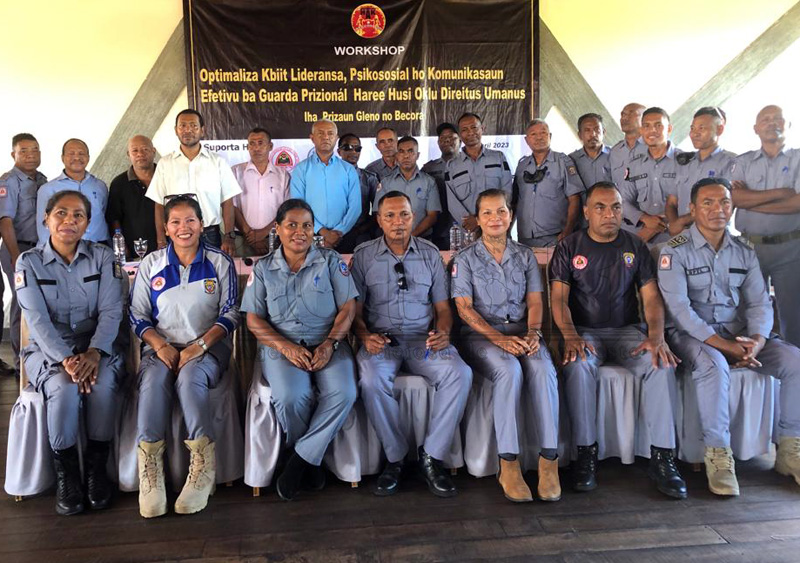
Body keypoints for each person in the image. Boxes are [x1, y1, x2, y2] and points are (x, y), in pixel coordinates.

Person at [658, 178, 800, 496]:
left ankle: (790, 451)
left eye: (724, 202)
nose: (718, 209)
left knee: (794, 360)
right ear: (692, 209)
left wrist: (757, 341)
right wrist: (727, 348)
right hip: (692, 336)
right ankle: (718, 455)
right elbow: (680, 311)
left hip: (739, 336)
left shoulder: (744, 251)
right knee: (714, 365)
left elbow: (760, 303)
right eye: (707, 202)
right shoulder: (674, 251)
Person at [549, 182, 686, 499]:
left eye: (615, 207)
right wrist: (570, 335)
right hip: (586, 332)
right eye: (600, 207)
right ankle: (585, 455)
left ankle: (663, 458)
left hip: (627, 330)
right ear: (586, 212)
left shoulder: (635, 246)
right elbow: (558, 300)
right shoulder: (569, 247)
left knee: (660, 363)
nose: (609, 214)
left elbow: (651, 299)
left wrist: (656, 337)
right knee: (578, 363)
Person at [351, 191, 472, 497]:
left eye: (404, 214)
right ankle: (395, 459)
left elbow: (444, 309)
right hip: (382, 339)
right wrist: (365, 336)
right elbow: (353, 311)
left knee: (460, 373)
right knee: (370, 378)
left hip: (422, 338)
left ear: (414, 217)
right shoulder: (363, 256)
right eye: (389, 216)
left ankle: (431, 456)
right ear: (379, 221)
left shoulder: (431, 254)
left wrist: (443, 331)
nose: (398, 222)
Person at [129, 195, 239, 518]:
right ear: (165, 228)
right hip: (160, 346)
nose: (183, 228)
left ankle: (203, 468)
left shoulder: (220, 261)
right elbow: (136, 315)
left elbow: (231, 313)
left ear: (202, 224)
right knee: (152, 381)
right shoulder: (151, 264)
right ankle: (151, 472)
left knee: (191, 379)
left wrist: (199, 347)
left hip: (208, 347)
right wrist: (160, 345)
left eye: (190, 220)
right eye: (175, 222)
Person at [241, 199, 358, 500]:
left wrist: (331, 344)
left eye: (306, 225)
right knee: (293, 395)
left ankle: (300, 459)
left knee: (344, 392)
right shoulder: (265, 268)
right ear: (277, 229)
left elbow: (348, 307)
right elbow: (253, 319)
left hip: (328, 343)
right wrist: (286, 347)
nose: (300, 232)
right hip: (281, 347)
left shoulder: (331, 261)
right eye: (291, 225)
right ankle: (310, 457)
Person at [16, 190, 124, 515]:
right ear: (46, 219)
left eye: (78, 215)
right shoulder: (29, 262)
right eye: (61, 213)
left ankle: (95, 471)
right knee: (63, 388)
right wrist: (67, 360)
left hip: (97, 347)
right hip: (49, 352)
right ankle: (67, 474)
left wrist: (94, 353)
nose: (69, 221)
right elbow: (36, 320)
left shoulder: (104, 257)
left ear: (88, 223)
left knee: (103, 386)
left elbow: (111, 311)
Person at [452, 188, 560, 502]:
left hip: (523, 332)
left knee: (543, 368)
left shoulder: (524, 255)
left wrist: (533, 333)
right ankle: (508, 463)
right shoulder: (465, 258)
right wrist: (500, 340)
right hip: (481, 337)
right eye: (487, 212)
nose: (495, 218)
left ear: (510, 215)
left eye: (501, 211)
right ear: (478, 220)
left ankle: (549, 461)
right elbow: (464, 309)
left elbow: (536, 302)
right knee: (508, 370)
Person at [731, 105, 800, 348]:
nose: (772, 123)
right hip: (750, 248)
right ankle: (750, 359)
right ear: (756, 128)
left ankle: (794, 367)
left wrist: (751, 200)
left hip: (791, 249)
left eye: (778, 119)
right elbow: (734, 199)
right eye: (766, 120)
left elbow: (799, 203)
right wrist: (783, 193)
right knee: (747, 310)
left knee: (793, 314)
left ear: (788, 125)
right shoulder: (743, 162)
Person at [145, 109, 241, 254]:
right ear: (176, 131)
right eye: (182, 126)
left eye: (193, 126)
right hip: (177, 234)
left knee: (211, 275)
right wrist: (161, 240)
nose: (187, 130)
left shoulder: (218, 162)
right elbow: (159, 205)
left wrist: (229, 236)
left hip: (210, 234)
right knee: (178, 275)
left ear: (202, 130)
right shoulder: (165, 164)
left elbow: (227, 202)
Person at [0, 133, 47, 376]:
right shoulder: (8, 182)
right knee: (22, 303)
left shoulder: (42, 180)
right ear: (13, 155)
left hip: (40, 249)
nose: (31, 155)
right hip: (17, 247)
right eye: (24, 151)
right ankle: (22, 364)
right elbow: (5, 221)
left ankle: (39, 354)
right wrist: (16, 255)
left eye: (35, 150)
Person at [290, 120, 361, 253]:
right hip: (310, 235)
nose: (326, 137)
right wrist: (322, 232)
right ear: (312, 138)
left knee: (344, 272)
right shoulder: (301, 169)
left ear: (336, 138)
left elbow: (355, 207)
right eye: (321, 133)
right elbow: (298, 206)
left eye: (330, 133)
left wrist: (339, 231)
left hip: (344, 236)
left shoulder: (348, 170)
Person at [514, 119, 584, 247]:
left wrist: (568, 231)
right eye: (533, 134)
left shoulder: (563, 161)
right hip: (525, 237)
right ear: (526, 140)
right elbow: (515, 200)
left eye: (543, 133)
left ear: (550, 136)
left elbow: (574, 199)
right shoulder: (522, 165)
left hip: (555, 237)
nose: (539, 137)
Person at [665, 107, 735, 235]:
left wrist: (681, 221)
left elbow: (724, 205)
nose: (694, 133)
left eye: (701, 128)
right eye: (692, 128)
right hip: (683, 236)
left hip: (713, 237)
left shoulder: (732, 163)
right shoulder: (685, 162)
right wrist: (674, 224)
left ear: (719, 129)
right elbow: (671, 202)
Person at [620, 107, 682, 245]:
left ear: (669, 129)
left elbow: (693, 203)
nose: (652, 131)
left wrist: (657, 226)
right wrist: (645, 219)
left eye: (658, 125)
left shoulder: (685, 162)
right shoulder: (633, 164)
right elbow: (623, 200)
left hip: (675, 238)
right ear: (641, 131)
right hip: (641, 235)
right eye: (647, 126)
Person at [446, 113, 513, 234]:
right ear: (460, 135)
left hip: (496, 227)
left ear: (483, 129)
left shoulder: (498, 157)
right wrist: (471, 222)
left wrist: (482, 219)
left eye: (474, 127)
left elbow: (507, 191)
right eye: (464, 130)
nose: (470, 132)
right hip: (468, 232)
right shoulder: (452, 166)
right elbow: (452, 202)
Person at [36, 139, 109, 245]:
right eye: (71, 153)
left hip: (99, 247)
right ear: (63, 158)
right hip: (65, 249)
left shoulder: (100, 186)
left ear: (88, 157)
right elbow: (43, 228)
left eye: (81, 153)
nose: (77, 157)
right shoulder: (47, 189)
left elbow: (104, 215)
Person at [231, 127, 290, 256]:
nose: (256, 148)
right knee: (242, 274)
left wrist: (263, 233)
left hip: (275, 238)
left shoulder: (283, 176)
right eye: (252, 143)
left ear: (270, 146)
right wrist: (251, 235)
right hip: (242, 238)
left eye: (260, 143)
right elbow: (232, 207)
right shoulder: (235, 172)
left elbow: (286, 210)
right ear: (247, 147)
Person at [373, 136, 441, 240]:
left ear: (417, 155)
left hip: (422, 240)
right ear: (397, 155)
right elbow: (379, 213)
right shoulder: (386, 183)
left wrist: (411, 237)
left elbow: (432, 216)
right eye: (401, 152)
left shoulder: (429, 182)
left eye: (410, 151)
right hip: (392, 241)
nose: (406, 156)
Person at [106, 135, 159, 259]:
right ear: (128, 154)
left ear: (153, 151)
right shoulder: (119, 183)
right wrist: (122, 248)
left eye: (145, 149)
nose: (140, 154)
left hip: (168, 247)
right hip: (135, 250)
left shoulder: (166, 176)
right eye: (135, 150)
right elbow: (114, 219)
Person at [337, 133, 380, 250]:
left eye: (357, 148)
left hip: (360, 234)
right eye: (347, 147)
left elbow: (378, 211)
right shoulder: (328, 177)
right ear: (339, 151)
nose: (353, 152)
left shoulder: (369, 178)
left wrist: (362, 230)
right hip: (334, 234)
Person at [422, 122, 460, 250]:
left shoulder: (470, 165)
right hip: (438, 230)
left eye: (452, 137)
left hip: (466, 228)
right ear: (438, 143)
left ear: (460, 140)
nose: (447, 140)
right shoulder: (429, 168)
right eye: (443, 138)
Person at [609, 102, 647, 189]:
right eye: (623, 114)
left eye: (632, 113)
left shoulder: (654, 148)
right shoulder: (615, 151)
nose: (625, 118)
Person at [569, 113, 612, 190]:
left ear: (604, 132)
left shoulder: (615, 155)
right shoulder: (571, 160)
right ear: (580, 135)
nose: (593, 134)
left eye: (597, 130)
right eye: (587, 130)